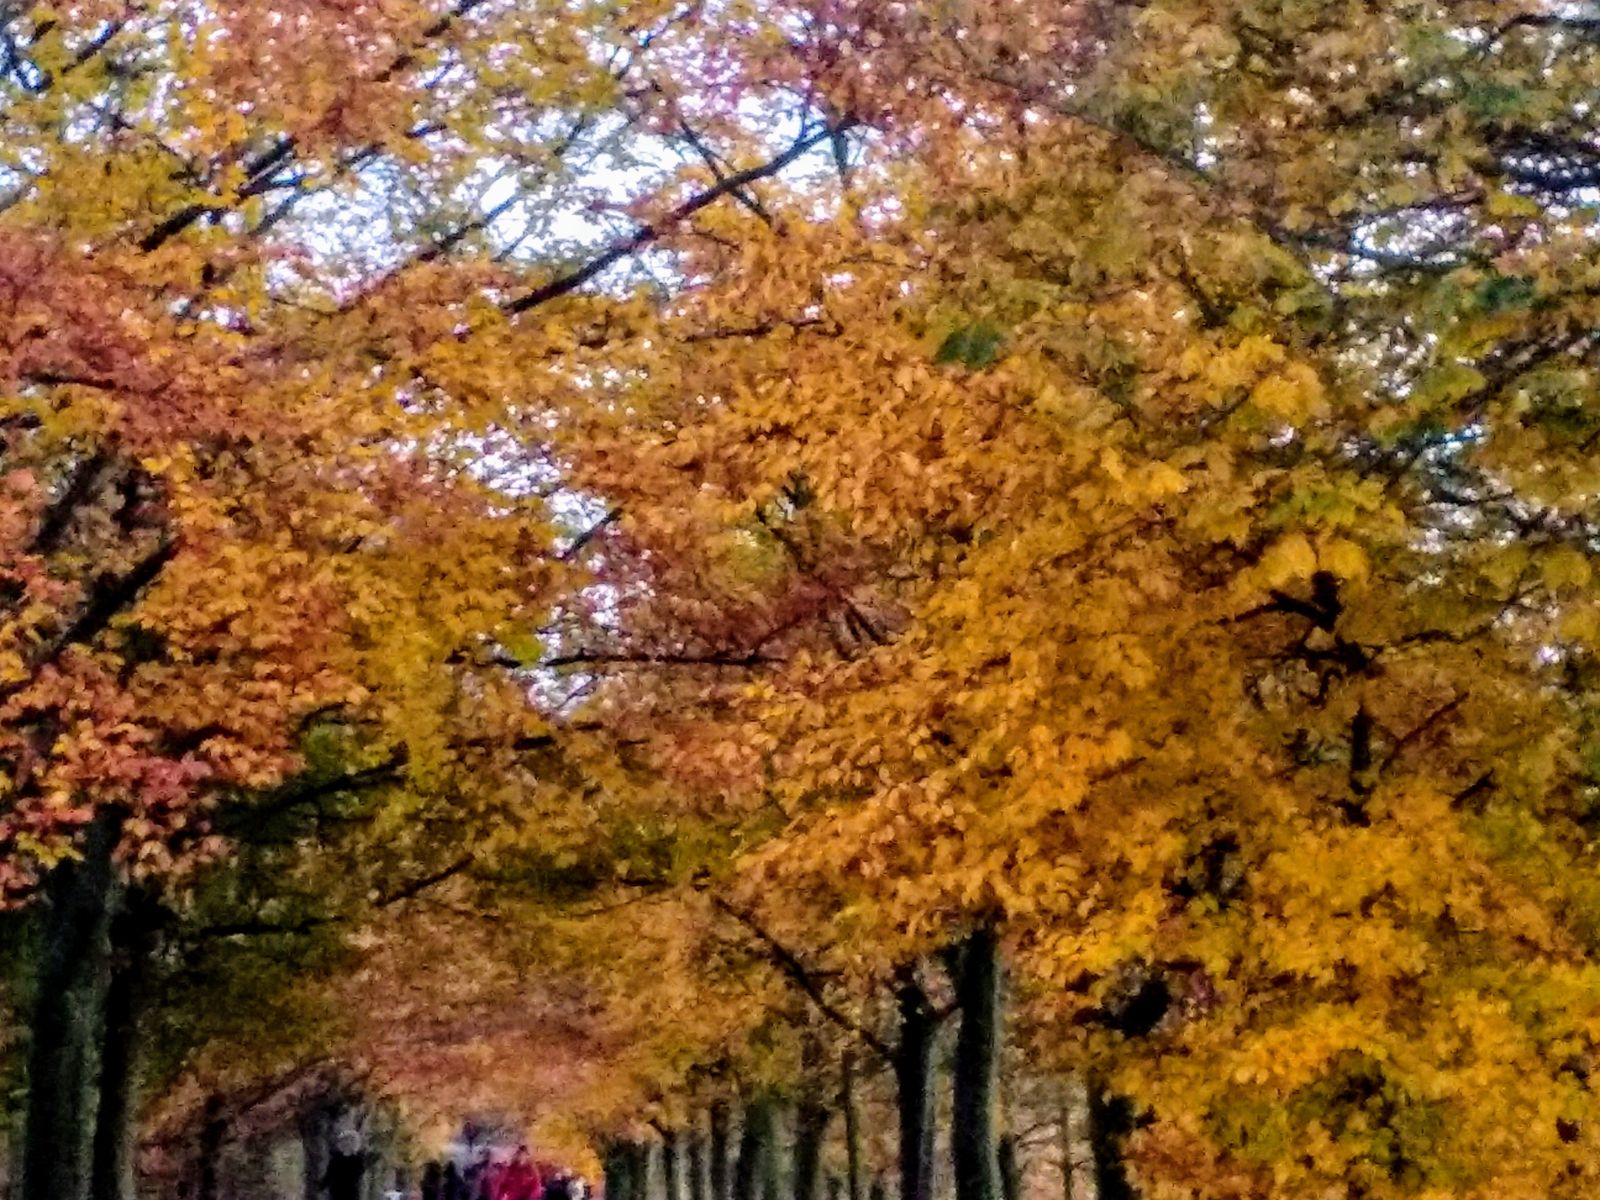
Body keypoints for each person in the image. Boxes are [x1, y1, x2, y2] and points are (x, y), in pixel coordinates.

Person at [321, 1129, 366, 1200]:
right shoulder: (335, 1159)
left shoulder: (358, 1160)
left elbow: (357, 1176)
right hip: (335, 1193)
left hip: (351, 1193)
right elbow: (328, 1175)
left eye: (349, 1140)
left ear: (354, 1143)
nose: (345, 1143)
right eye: (343, 1140)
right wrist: (321, 1186)